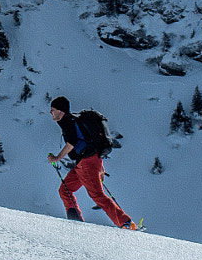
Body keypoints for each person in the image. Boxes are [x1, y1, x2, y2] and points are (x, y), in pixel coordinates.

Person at [48, 96, 139, 228]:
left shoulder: (68, 121)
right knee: (65, 189)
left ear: (60, 111)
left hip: (87, 163)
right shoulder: (71, 121)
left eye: (53, 110)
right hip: (84, 163)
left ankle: (125, 223)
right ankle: (75, 220)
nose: (50, 112)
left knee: (97, 195)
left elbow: (72, 142)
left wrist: (57, 158)